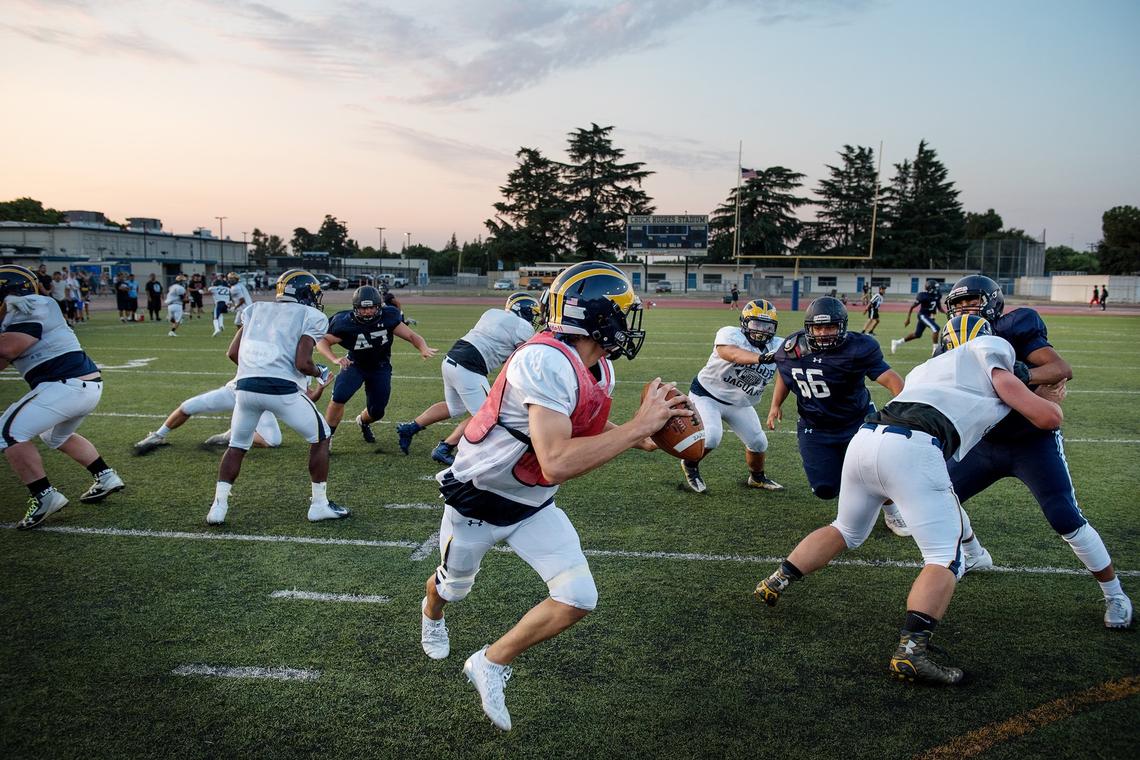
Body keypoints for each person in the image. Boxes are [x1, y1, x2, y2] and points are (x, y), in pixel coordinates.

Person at [418, 261, 681, 732]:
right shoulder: (545, 359)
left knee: (578, 596)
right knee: (455, 588)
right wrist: (640, 425)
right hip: (480, 501)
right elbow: (558, 458)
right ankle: (432, 614)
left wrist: (647, 435)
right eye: (622, 313)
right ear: (596, 316)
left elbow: (586, 427)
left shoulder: (595, 365)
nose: (628, 323)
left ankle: (490, 661)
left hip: (534, 502)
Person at [754, 314, 1064, 685]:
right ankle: (912, 651)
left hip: (867, 438)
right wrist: (1049, 395)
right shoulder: (991, 357)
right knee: (944, 559)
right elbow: (1047, 419)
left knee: (846, 529)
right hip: (913, 448)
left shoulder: (927, 368)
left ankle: (777, 580)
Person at [943, 275, 1132, 628]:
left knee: (1064, 517)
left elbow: (1060, 369)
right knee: (940, 496)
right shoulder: (951, 341)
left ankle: (1115, 593)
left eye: (972, 302)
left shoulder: (1016, 325)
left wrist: (1018, 375)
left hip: (1031, 441)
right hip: (983, 442)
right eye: (958, 305)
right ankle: (974, 554)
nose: (965, 310)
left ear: (993, 303)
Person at [207, 269, 347, 525]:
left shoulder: (255, 309)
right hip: (281, 390)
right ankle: (319, 505)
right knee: (322, 437)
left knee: (237, 446)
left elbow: (232, 353)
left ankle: (218, 507)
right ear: (306, 292)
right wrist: (319, 371)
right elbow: (303, 362)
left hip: (246, 389)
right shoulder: (311, 315)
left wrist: (258, 369)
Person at [766, 297, 910, 534]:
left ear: (842, 327)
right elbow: (785, 371)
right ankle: (860, 493)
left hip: (857, 420)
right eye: (818, 327)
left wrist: (903, 408)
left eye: (830, 327)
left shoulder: (858, 348)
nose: (823, 333)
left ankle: (892, 511)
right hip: (815, 426)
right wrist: (775, 404)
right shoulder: (792, 348)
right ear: (808, 328)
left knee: (874, 469)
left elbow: (891, 378)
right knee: (825, 489)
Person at [0, 265, 125, 530]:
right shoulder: (18, 313)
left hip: (65, 385)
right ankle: (105, 476)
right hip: (80, 386)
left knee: (6, 433)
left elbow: (8, 348)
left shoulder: (32, 304)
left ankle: (44, 495)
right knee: (53, 436)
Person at [397, 292, 539, 465]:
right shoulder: (523, 326)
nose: (534, 318)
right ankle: (445, 447)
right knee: (488, 415)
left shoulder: (492, 313)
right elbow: (521, 357)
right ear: (523, 310)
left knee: (453, 407)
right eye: (533, 313)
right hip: (468, 367)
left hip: (451, 360)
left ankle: (409, 428)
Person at [681, 299, 784, 493]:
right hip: (707, 395)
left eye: (767, 326)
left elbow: (785, 374)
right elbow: (732, 354)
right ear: (744, 323)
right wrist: (761, 358)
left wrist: (775, 405)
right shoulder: (730, 334)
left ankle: (757, 478)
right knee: (712, 436)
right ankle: (690, 464)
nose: (761, 330)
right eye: (756, 324)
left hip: (740, 402)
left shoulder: (779, 345)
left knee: (758, 442)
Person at [316, 285, 437, 447]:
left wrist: (423, 348)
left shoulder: (389, 316)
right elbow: (323, 341)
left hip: (380, 367)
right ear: (355, 308)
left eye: (371, 308)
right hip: (355, 365)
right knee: (339, 397)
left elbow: (411, 335)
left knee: (377, 412)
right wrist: (334, 358)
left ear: (379, 307)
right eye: (363, 308)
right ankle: (326, 438)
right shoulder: (344, 321)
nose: (367, 312)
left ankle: (362, 421)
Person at [134, 366, 332, 454]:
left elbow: (308, 396)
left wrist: (321, 387)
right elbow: (234, 353)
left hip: (265, 402)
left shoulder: (303, 364)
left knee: (273, 441)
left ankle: (231, 435)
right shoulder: (270, 350)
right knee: (189, 406)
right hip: (238, 390)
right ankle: (158, 435)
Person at [891, 279, 943, 356]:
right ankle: (935, 350)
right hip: (922, 315)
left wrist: (947, 312)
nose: (937, 289)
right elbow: (912, 307)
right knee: (936, 329)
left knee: (917, 334)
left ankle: (897, 342)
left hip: (929, 317)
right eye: (935, 288)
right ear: (930, 288)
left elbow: (939, 308)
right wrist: (908, 319)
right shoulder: (923, 295)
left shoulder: (937, 295)